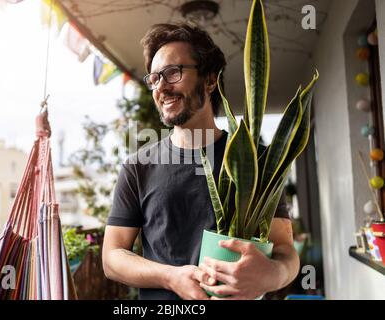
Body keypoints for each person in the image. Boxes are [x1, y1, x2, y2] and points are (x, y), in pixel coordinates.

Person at [102, 23, 299, 300]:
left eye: (173, 73)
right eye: (155, 78)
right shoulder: (138, 166)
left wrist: (272, 274)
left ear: (209, 80)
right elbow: (112, 257)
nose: (162, 87)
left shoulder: (256, 163)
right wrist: (171, 277)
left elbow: (285, 251)